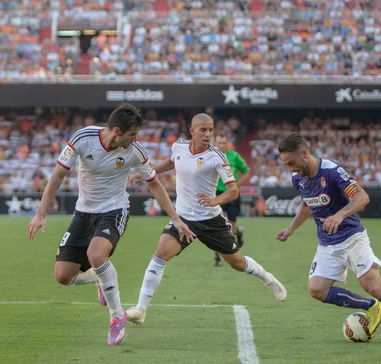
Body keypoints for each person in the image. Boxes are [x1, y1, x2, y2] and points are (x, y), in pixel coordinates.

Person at [27, 104, 194, 346]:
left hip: (114, 209)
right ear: (117, 130)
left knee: (96, 255)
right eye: (132, 134)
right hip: (83, 212)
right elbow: (58, 175)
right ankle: (98, 278)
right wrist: (41, 213)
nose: (136, 139)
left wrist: (176, 219)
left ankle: (117, 315)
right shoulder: (83, 138)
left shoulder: (135, 151)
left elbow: (155, 184)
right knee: (63, 276)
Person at [126, 113, 286, 326]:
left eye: (211, 130)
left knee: (237, 263)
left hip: (211, 221)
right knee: (161, 252)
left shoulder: (217, 156)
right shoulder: (179, 147)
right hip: (184, 218)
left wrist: (215, 200)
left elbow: (234, 190)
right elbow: (172, 162)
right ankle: (141, 309)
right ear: (192, 131)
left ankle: (268, 278)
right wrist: (148, 172)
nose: (208, 134)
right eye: (203, 130)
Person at [274, 133, 381, 348]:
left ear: (304, 153)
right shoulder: (297, 178)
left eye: (291, 162)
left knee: (372, 285)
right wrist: (291, 229)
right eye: (285, 164)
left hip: (352, 238)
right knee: (316, 289)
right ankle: (372, 306)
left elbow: (362, 197)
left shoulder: (331, 171)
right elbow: (307, 204)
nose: (289, 167)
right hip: (328, 244)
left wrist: (340, 215)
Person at [212, 133, 250, 267]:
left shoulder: (234, 156)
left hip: (232, 193)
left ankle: (237, 232)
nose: (221, 145)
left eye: (223, 143)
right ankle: (217, 258)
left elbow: (246, 170)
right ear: (215, 143)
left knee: (231, 228)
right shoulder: (210, 155)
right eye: (219, 142)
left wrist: (238, 184)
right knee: (218, 225)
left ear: (228, 144)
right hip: (217, 193)